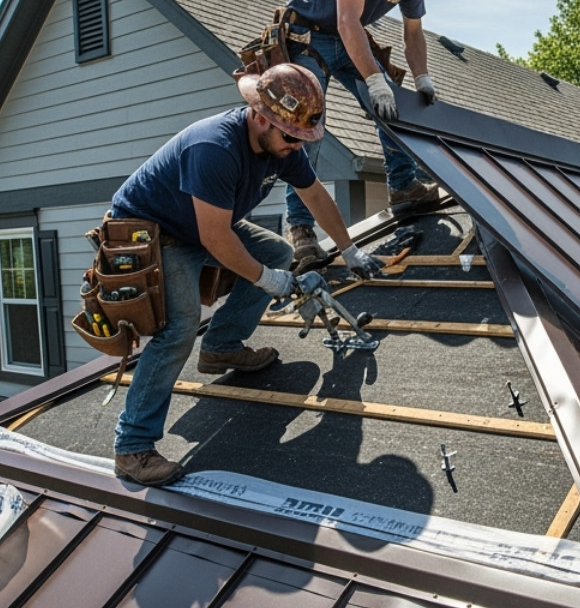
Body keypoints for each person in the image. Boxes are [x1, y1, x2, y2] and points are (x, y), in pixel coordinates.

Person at [108, 63, 382, 486]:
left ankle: (221, 346)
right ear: (259, 116)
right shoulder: (214, 148)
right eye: (291, 137)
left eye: (302, 138)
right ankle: (132, 448)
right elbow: (215, 240)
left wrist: (348, 248)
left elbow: (314, 196)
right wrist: (267, 280)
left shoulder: (281, 145)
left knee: (278, 250)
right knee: (178, 328)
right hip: (155, 231)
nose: (296, 146)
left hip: (200, 222)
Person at [280, 0, 451, 270]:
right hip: (308, 37)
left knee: (395, 102)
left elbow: (413, 34)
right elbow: (346, 20)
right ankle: (302, 231)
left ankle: (403, 187)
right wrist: (372, 80)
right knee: (307, 125)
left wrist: (422, 78)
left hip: (346, 35)